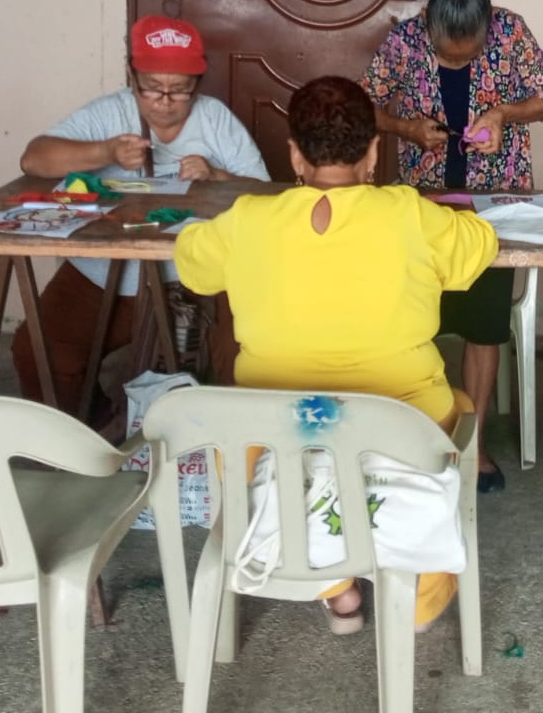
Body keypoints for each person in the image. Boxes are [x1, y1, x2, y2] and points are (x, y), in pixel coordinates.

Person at [174, 75, 498, 632]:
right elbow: (480, 247)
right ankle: (416, 595)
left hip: (276, 430)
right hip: (401, 423)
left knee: (257, 452)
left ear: (295, 156)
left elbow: (192, 264)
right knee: (460, 408)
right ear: (372, 153)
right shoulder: (409, 213)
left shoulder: (249, 218)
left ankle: (335, 588)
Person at [361, 0, 543, 492]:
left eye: (468, 55)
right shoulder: (405, 40)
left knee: (484, 323)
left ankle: (474, 448)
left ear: (486, 25)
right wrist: (404, 127)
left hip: (494, 204)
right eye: (447, 55)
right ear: (428, 25)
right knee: (412, 319)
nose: (457, 62)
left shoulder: (511, 31)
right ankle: (413, 438)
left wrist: (503, 114)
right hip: (423, 200)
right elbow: (362, 103)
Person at [13, 16, 269, 412]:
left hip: (200, 274)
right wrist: (106, 152)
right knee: (39, 350)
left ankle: (215, 436)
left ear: (197, 84)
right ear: (132, 78)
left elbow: (265, 194)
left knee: (245, 359)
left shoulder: (214, 119)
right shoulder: (109, 113)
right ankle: (94, 427)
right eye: (152, 87)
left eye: (179, 90)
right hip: (106, 274)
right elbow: (34, 158)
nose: (164, 101)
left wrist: (217, 176)